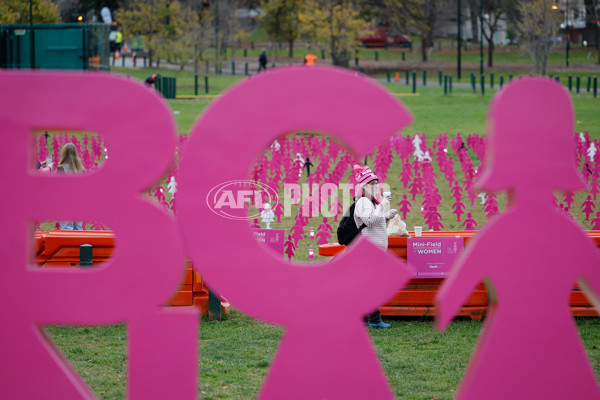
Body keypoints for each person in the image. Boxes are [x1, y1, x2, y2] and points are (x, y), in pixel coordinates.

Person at [352, 164, 398, 328]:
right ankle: (374, 319)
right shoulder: (363, 201)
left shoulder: (369, 202)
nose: (376, 186)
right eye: (372, 183)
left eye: (376, 183)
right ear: (364, 186)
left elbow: (373, 221)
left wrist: (386, 216)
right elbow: (369, 221)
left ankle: (364, 317)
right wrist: (383, 204)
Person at [57, 143, 86, 230]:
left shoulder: (61, 168)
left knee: (67, 228)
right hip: (79, 201)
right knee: (78, 228)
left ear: (64, 154)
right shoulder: (81, 170)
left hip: (65, 202)